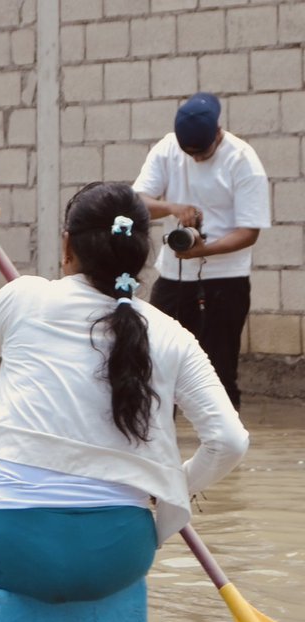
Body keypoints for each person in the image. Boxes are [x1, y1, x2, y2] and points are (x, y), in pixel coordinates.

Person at [0, 182, 249, 603]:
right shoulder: (172, 334)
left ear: (67, 246)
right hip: (120, 562)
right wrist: (169, 491)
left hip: (10, 554)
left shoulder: (25, 296)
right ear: (141, 254)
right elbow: (230, 442)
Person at [132, 92, 270, 410]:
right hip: (173, 274)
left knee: (220, 368)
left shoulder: (242, 160)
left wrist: (205, 250)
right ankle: (159, 443)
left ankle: (228, 447)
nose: (194, 159)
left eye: (202, 153)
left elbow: (249, 232)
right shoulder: (167, 148)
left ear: (217, 135)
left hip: (227, 278)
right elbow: (138, 201)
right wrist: (171, 207)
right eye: (187, 152)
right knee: (158, 358)